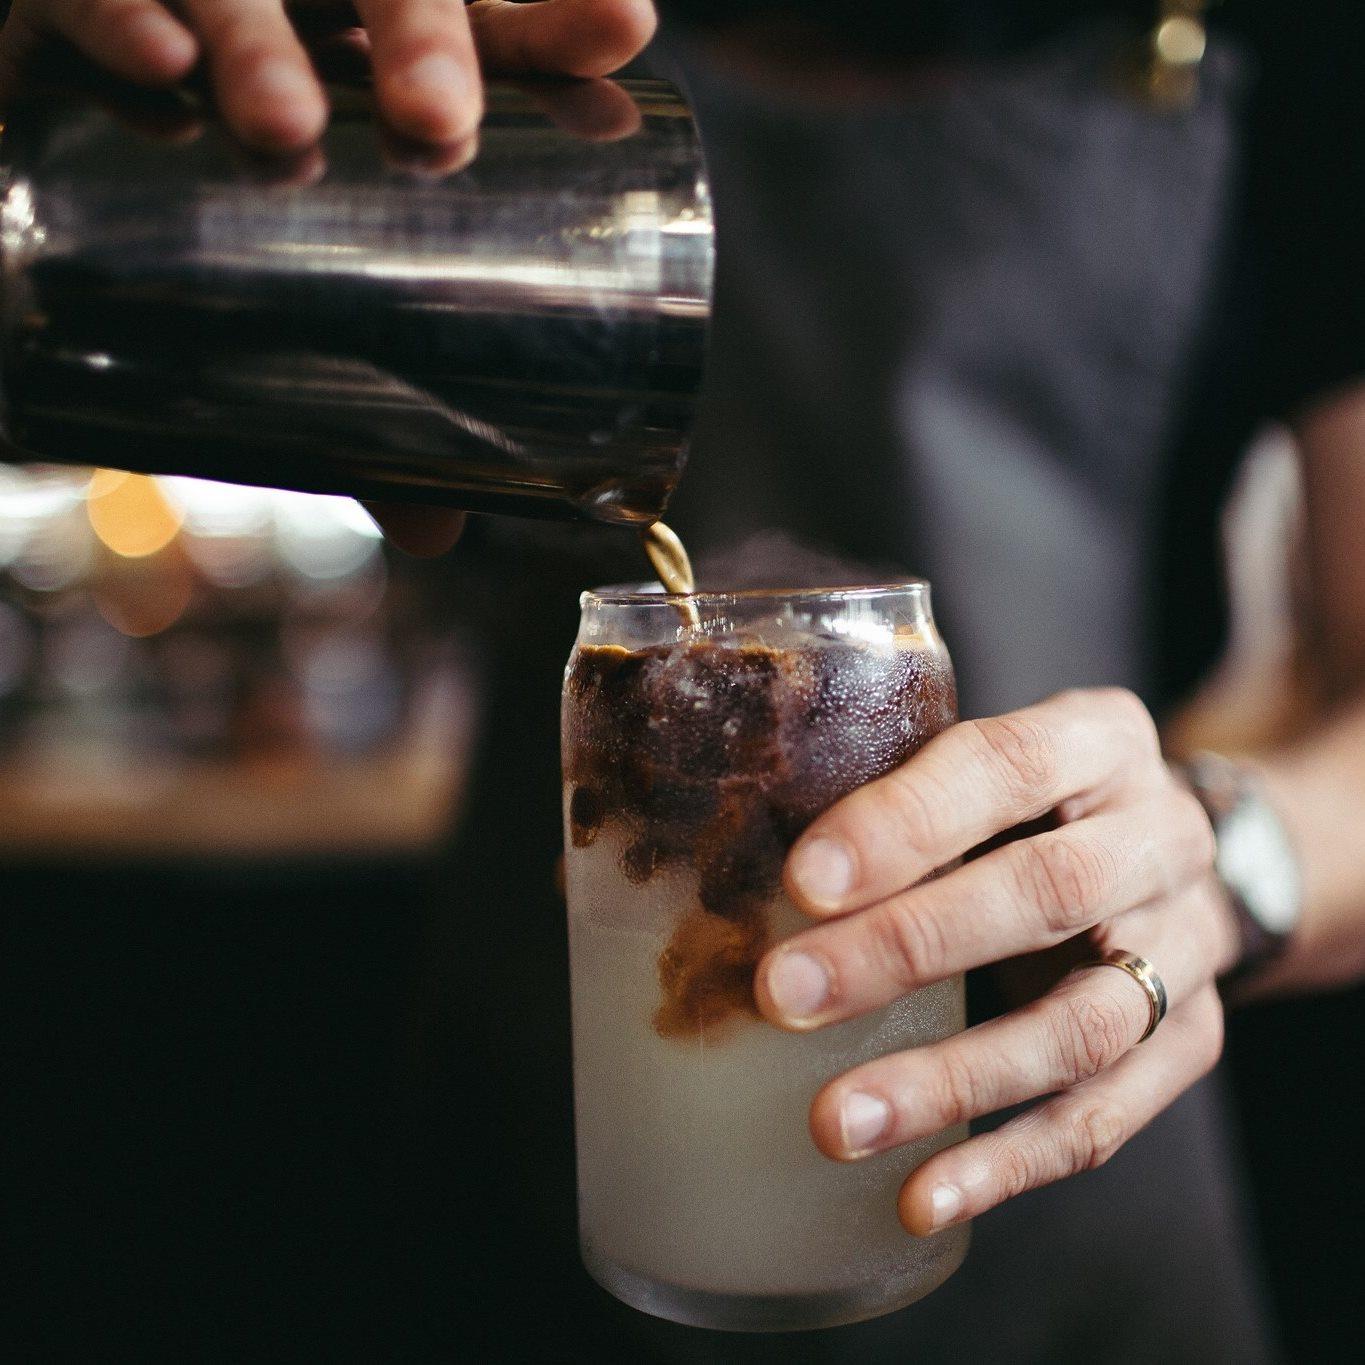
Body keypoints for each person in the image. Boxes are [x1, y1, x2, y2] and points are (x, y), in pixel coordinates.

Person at [5, 1, 1363, 1359]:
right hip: (551, 1127)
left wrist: (1230, 860)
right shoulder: (484, 29)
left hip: (1060, 1167)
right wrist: (65, 117)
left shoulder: (1285, 44)